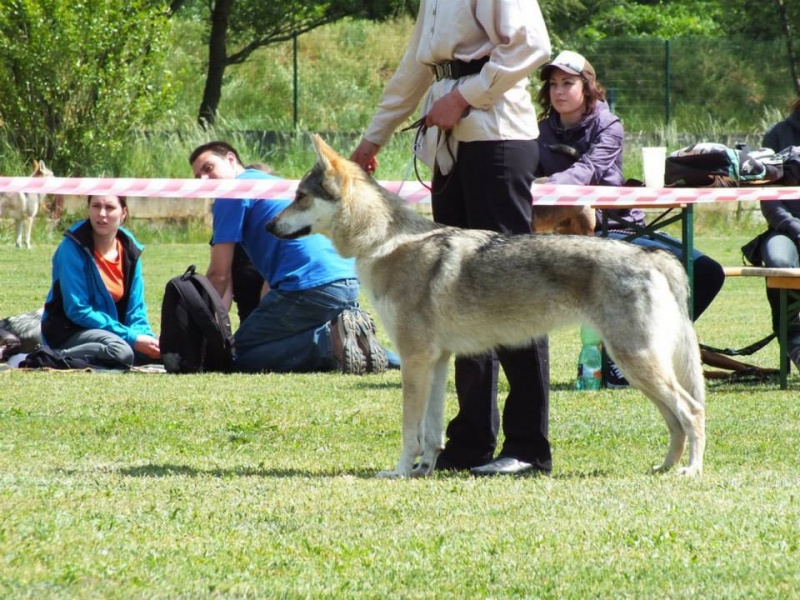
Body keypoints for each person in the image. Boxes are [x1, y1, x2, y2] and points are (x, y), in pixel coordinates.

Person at [351, 0, 553, 476]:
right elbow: (415, 68)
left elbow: (532, 44)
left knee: (511, 292)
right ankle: (470, 442)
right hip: (449, 144)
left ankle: (527, 447)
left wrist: (464, 96)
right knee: (458, 298)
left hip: (496, 137)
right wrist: (372, 138)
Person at [535, 50, 725, 322]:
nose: (558, 91)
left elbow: (587, 170)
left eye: (568, 83)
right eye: (553, 84)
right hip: (566, 235)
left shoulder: (608, 125)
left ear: (587, 87)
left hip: (620, 227)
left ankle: (659, 338)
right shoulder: (539, 131)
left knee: (707, 272)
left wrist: (544, 185)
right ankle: (630, 351)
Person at [189, 140, 398, 374]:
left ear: (230, 159)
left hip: (308, 287)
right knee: (304, 335)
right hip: (346, 282)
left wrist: (204, 332)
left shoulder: (232, 192)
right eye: (198, 177)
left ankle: (331, 343)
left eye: (208, 168)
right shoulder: (277, 185)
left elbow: (219, 276)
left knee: (240, 354)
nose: (204, 180)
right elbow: (279, 269)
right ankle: (375, 350)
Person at [40, 195, 161, 368]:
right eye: (96, 206)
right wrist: (132, 338)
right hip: (69, 332)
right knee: (121, 352)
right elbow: (77, 310)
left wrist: (146, 339)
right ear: (89, 209)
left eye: (110, 208)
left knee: (158, 353)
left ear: (123, 213)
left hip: (113, 333)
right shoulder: (71, 248)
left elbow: (136, 312)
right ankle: (51, 355)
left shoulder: (131, 251)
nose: (102, 214)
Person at [758, 95, 800, 368]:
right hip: (786, 229)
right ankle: (794, 339)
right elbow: (769, 200)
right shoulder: (777, 135)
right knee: (779, 261)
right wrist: (795, 228)